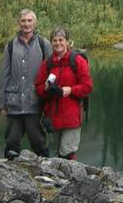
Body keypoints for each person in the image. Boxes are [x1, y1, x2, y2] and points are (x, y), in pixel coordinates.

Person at [0, 8, 51, 159]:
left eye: (29, 20)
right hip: (13, 102)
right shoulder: (10, 45)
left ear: (35, 22)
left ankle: (45, 167)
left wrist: (49, 101)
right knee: (12, 141)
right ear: (19, 22)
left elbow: (52, 73)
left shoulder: (44, 44)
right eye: (23, 21)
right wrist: (2, 103)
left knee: (38, 141)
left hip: (35, 101)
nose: (26, 24)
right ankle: (9, 168)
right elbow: (4, 75)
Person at [35, 26, 93, 160]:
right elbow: (38, 87)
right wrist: (46, 89)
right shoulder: (48, 63)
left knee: (68, 153)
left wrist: (71, 90)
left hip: (71, 117)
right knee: (59, 154)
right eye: (55, 40)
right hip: (53, 117)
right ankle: (61, 173)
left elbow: (87, 87)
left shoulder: (77, 61)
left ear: (67, 42)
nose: (58, 43)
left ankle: (71, 173)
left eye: (61, 40)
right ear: (51, 43)